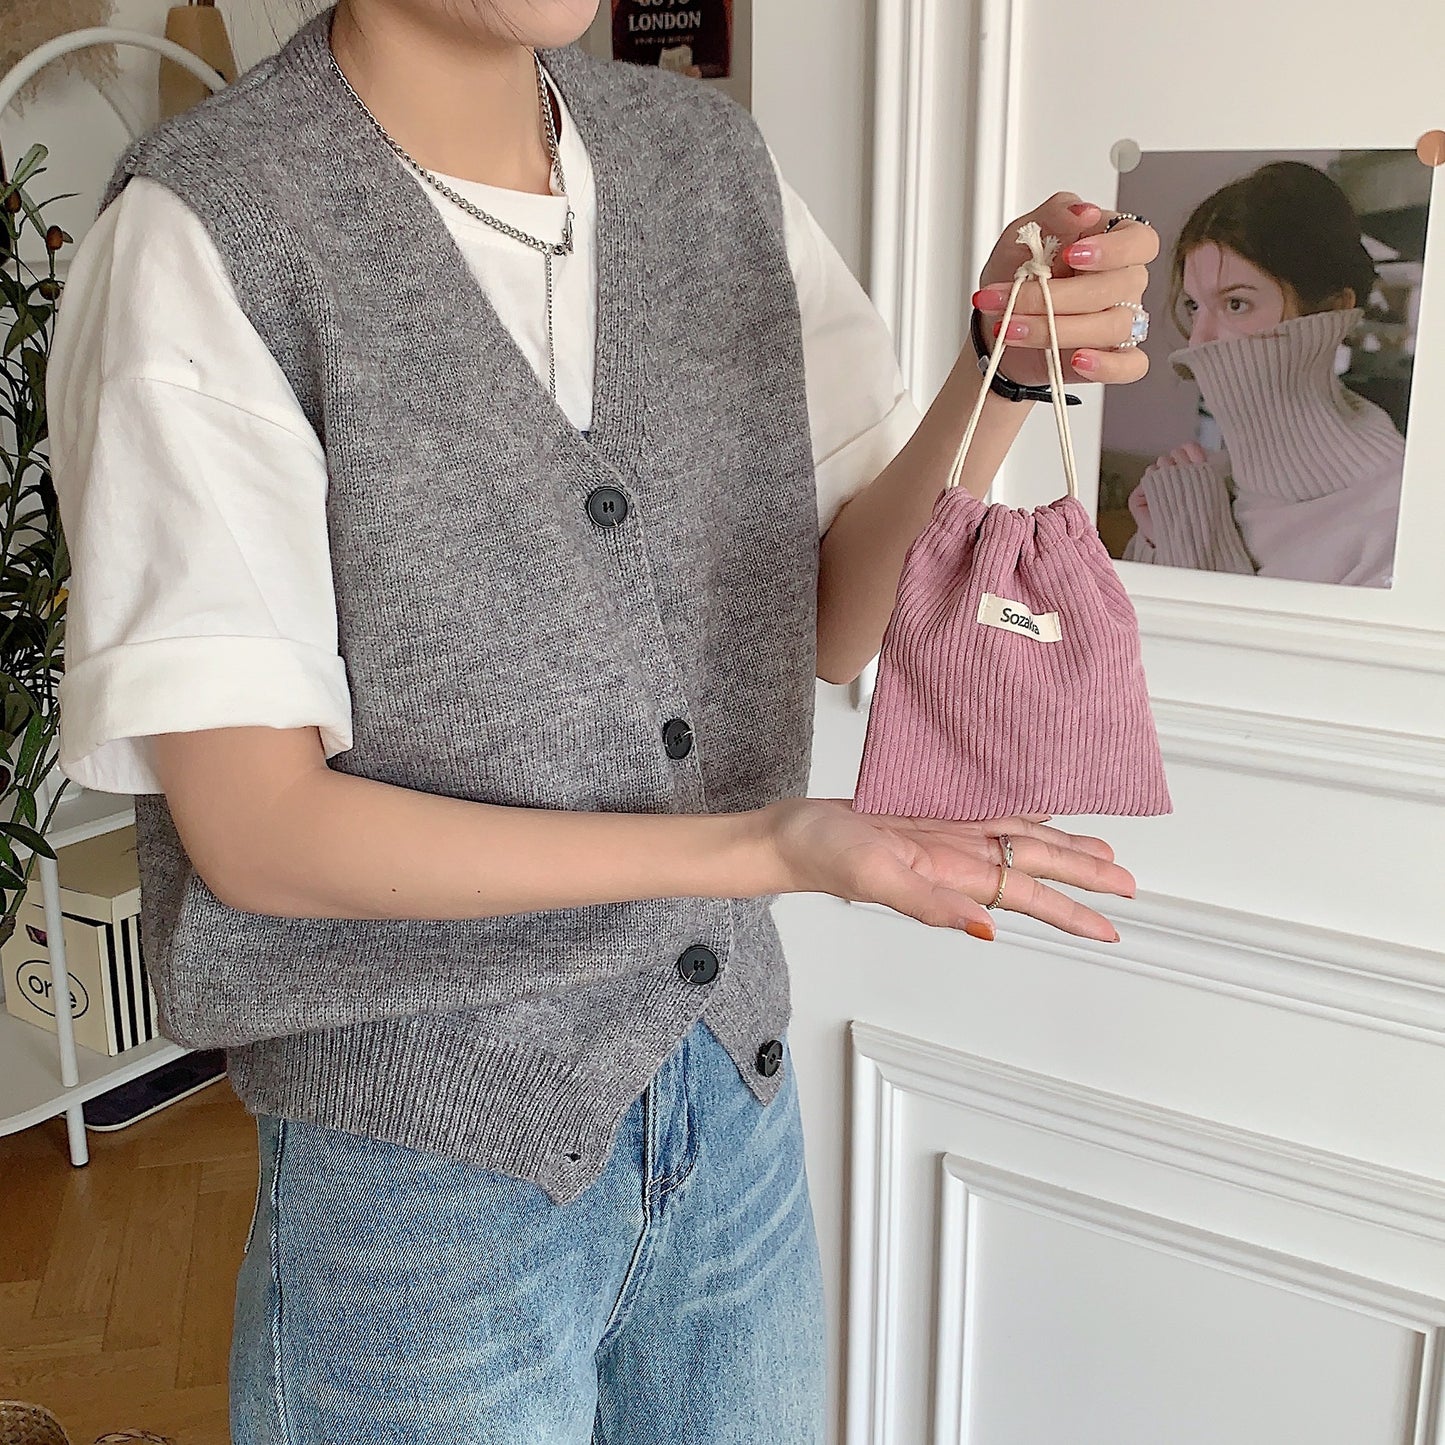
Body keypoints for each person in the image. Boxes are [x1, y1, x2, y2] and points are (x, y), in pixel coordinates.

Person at [47, 0, 1154, 1438]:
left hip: (724, 1093)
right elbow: (261, 833)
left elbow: (827, 615)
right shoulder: (207, 231)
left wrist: (997, 373)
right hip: (421, 1173)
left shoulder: (708, 164)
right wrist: (766, 847)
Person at [1124, 160, 1405, 587]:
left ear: (1332, 311)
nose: (1199, 341)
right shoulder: (1196, 485)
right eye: (1194, 306)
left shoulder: (1401, 518)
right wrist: (1155, 542)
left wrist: (1194, 546)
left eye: (1236, 303)